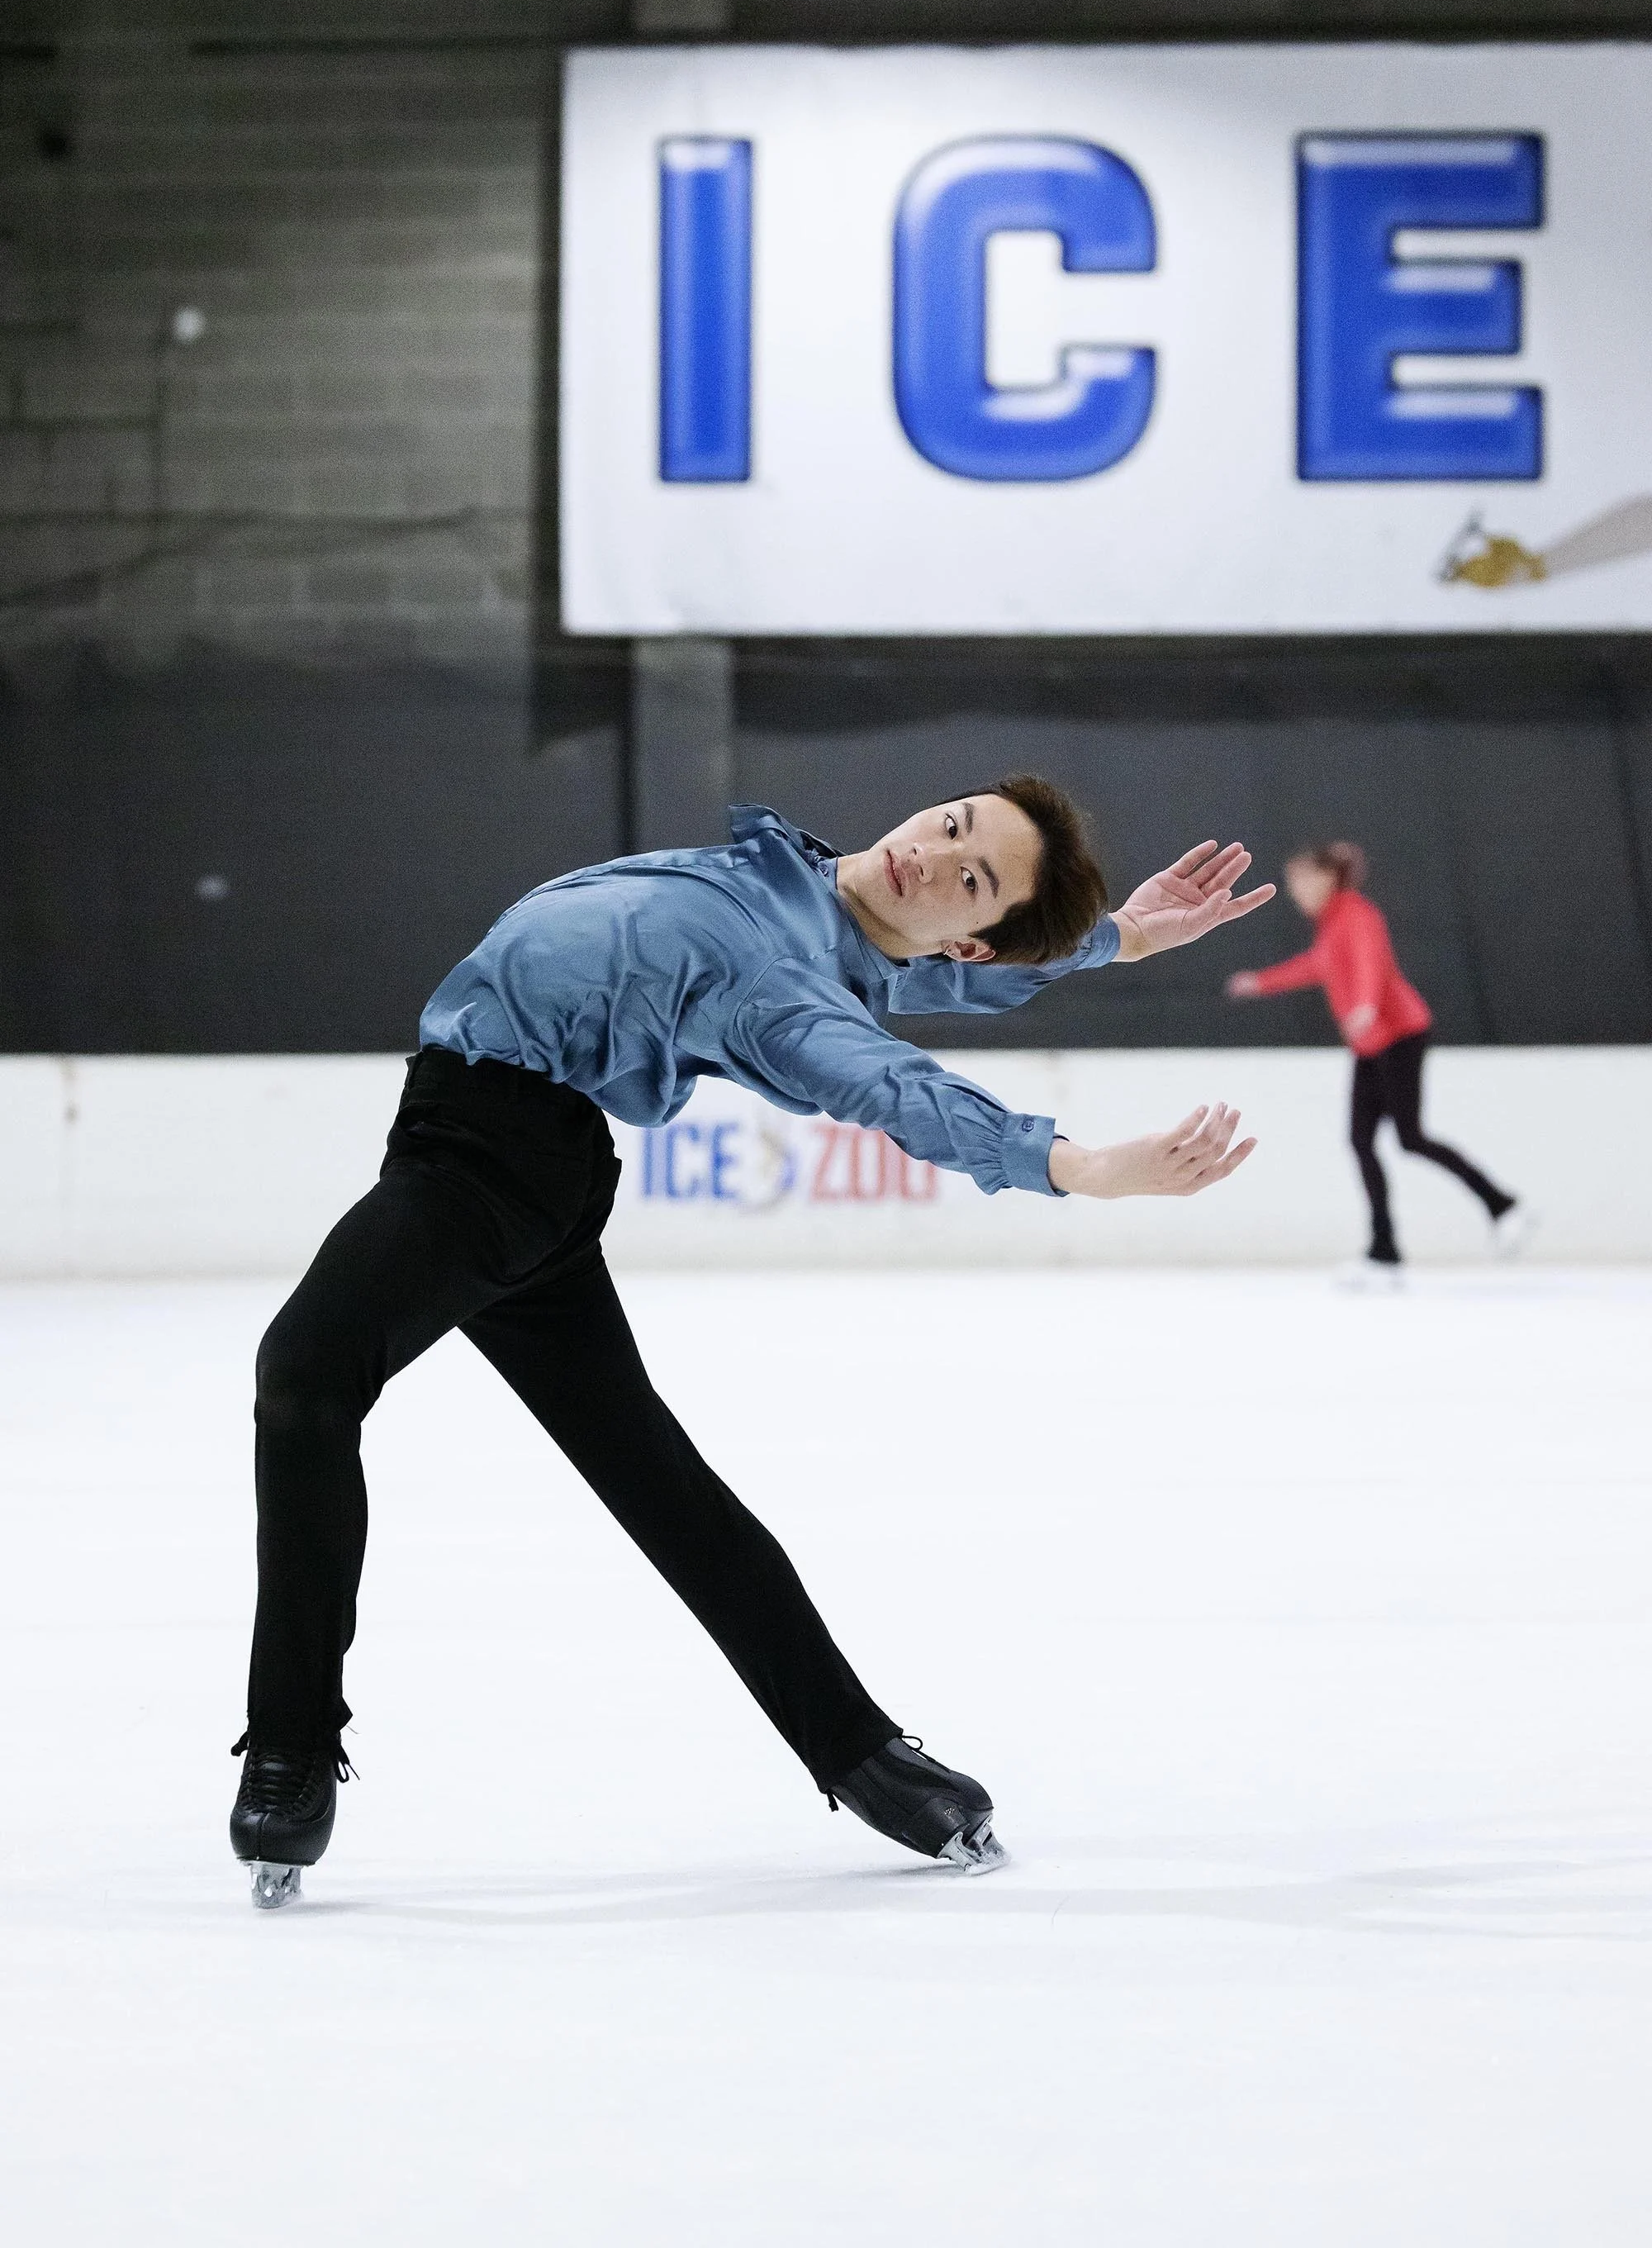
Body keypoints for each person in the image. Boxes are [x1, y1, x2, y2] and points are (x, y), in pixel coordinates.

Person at [231, 779, 1274, 1906]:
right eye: (952, 824)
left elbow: (898, 1087)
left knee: (305, 1376)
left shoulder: (791, 995)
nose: (932, 852)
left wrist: (1080, 1166)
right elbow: (938, 968)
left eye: (970, 878)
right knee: (661, 1486)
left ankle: (290, 1752)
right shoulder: (819, 897)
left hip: (488, 1169)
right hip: (511, 1152)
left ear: (970, 930)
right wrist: (1119, 938)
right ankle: (864, 1758)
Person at [1226, 840, 1528, 1284]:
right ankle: (1385, 1252)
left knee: (1410, 1138)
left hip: (1399, 1035)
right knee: (1363, 1141)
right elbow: (1316, 966)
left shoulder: (1357, 914)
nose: (1295, 890)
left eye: (1301, 879)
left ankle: (1503, 1206)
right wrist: (1261, 982)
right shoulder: (1331, 924)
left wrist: (1366, 1005)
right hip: (1370, 1045)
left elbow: (1373, 962)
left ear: (1327, 878)